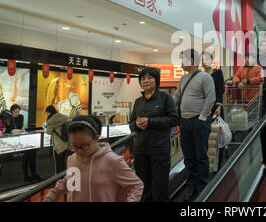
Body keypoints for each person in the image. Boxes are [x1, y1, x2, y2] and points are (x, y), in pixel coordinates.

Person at [43, 115, 144, 202]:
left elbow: (136, 185)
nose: (79, 151)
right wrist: (51, 196)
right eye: (74, 145)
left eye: (84, 145)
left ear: (96, 138)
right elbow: (68, 180)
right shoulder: (72, 159)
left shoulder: (111, 161)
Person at [129, 67, 179, 202]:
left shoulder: (165, 98)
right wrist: (136, 125)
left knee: (160, 190)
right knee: (143, 189)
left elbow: (174, 119)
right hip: (140, 151)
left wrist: (150, 122)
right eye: (143, 78)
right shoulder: (138, 101)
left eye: (150, 78)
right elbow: (131, 123)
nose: (146, 81)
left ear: (157, 81)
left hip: (159, 150)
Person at [173, 49, 216, 201]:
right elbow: (177, 97)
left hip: (199, 121)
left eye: (183, 59)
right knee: (189, 156)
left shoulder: (205, 77)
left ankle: (203, 186)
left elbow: (211, 97)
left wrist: (203, 117)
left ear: (192, 61)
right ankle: (191, 184)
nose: (180, 63)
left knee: (201, 156)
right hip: (184, 122)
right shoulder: (183, 78)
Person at [201, 51, 225, 168]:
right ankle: (208, 165)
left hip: (216, 109)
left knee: (217, 138)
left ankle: (218, 167)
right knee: (206, 139)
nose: (203, 62)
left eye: (206, 59)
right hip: (204, 110)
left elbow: (220, 90)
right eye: (202, 59)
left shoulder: (217, 73)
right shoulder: (200, 75)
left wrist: (219, 106)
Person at [44, 105, 71, 173]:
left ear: (49, 112)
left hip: (58, 144)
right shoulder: (64, 117)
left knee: (58, 164)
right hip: (66, 143)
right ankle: (64, 178)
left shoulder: (51, 121)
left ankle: (58, 181)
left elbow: (48, 132)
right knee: (63, 162)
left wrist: (44, 127)